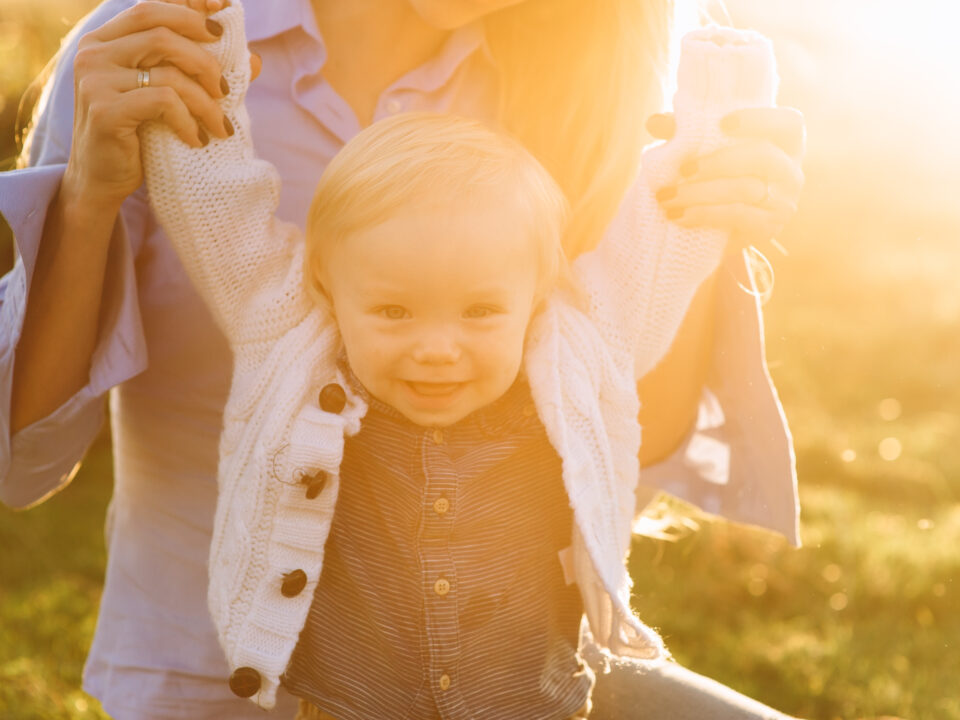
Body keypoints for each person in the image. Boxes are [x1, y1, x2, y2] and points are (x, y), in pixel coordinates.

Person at [0, 0, 804, 717]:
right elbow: (21, 468)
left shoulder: (575, 87)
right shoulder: (162, 52)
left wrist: (705, 230)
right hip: (214, 683)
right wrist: (87, 197)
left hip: (521, 682)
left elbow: (616, 425)